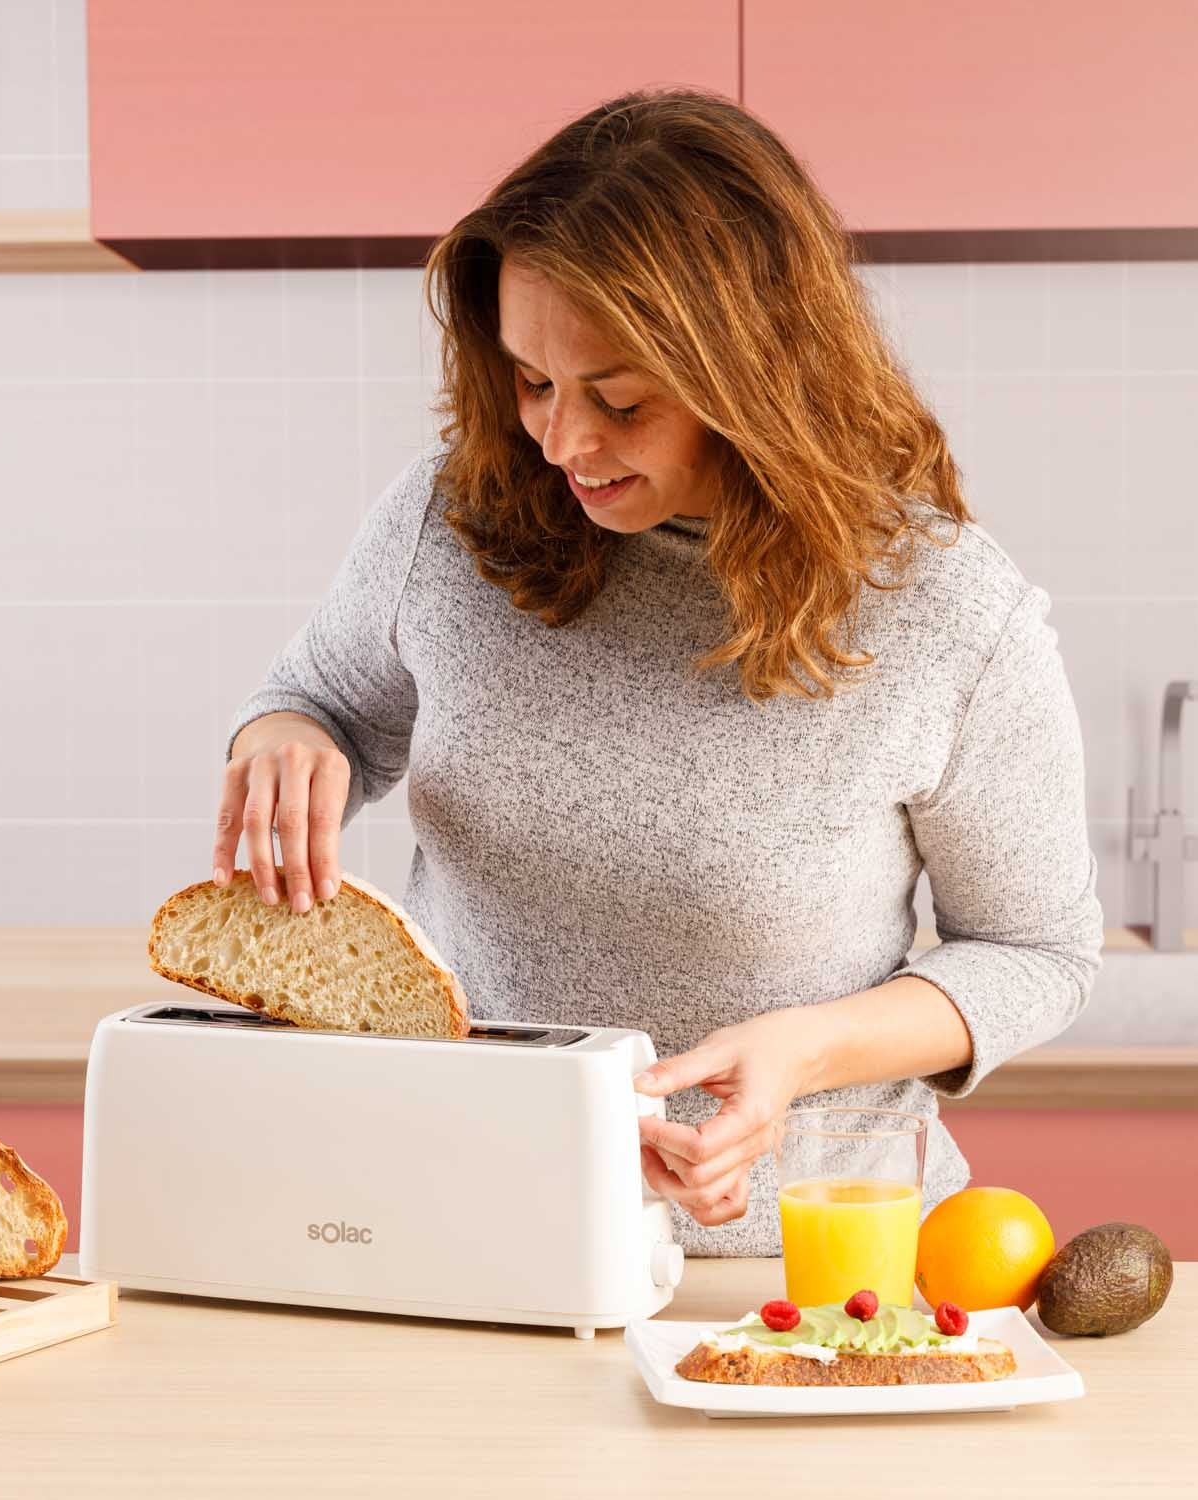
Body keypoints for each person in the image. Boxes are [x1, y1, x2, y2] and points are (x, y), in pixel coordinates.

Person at [210, 88, 1103, 1256]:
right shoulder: (455, 517)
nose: (563, 443)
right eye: (533, 381)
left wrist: (807, 1048)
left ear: (756, 373)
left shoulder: (945, 612)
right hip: (465, 1231)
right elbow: (321, 700)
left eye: (620, 399)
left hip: (797, 1267)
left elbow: (1039, 954)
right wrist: (288, 736)